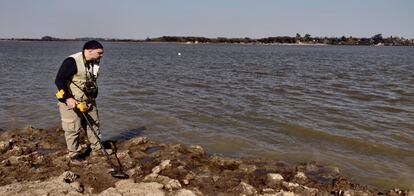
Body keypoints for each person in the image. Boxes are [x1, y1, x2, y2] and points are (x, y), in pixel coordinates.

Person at [55, 40, 104, 165]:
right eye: (100, 53)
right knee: (72, 129)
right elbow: (59, 80)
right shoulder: (71, 61)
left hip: (88, 100)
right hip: (71, 101)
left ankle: (97, 148)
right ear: (89, 51)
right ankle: (74, 155)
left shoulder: (94, 61)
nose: (102, 55)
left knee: (94, 124)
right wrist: (68, 98)